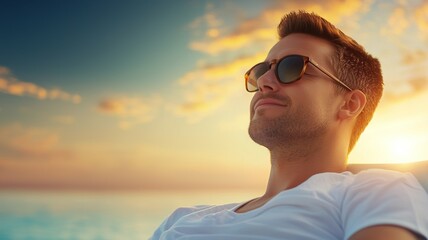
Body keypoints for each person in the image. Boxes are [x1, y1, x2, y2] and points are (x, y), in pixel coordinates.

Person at [150, 11, 428, 240]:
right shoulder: (182, 218)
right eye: (261, 71)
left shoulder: (373, 190)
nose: (264, 82)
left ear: (349, 104)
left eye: (291, 67)